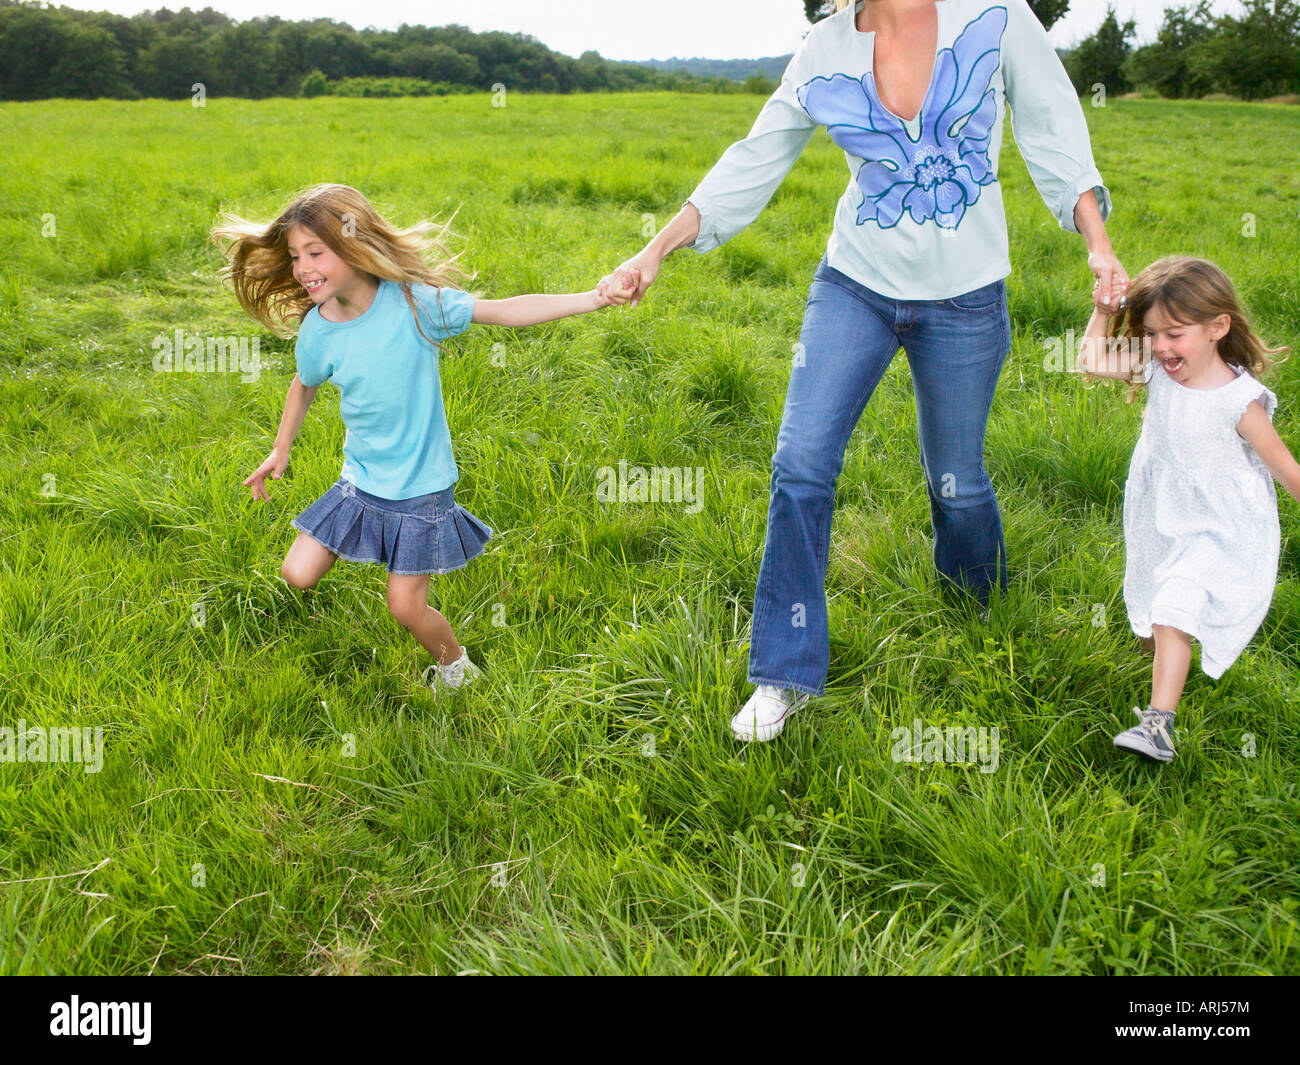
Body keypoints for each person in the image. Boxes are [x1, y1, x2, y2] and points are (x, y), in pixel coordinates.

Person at [602, 0, 1127, 741]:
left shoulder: (997, 17)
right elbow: (757, 153)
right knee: (801, 463)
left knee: (958, 479)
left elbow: (1053, 126)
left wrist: (1096, 242)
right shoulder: (825, 47)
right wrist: (654, 249)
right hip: (857, 284)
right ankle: (783, 672)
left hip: (967, 295)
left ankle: (984, 616)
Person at [212, 183, 638, 695]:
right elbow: (303, 384)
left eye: (315, 252)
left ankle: (456, 666)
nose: (302, 268)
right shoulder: (318, 331)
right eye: (295, 256)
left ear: (353, 245)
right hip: (362, 480)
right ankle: (374, 540)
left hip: (420, 489)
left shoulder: (415, 305)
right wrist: (281, 449)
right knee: (297, 574)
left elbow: (504, 310)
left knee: (404, 607)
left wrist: (594, 298)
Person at [1075, 256, 1296, 762]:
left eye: (1174, 334)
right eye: (1152, 334)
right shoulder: (1159, 370)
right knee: (1155, 600)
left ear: (1218, 327)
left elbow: (1285, 468)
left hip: (1221, 528)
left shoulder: (1241, 402)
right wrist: (1102, 311)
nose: (1160, 347)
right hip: (1162, 510)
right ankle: (1159, 649)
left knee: (1173, 610)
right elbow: (1090, 359)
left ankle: (1158, 728)